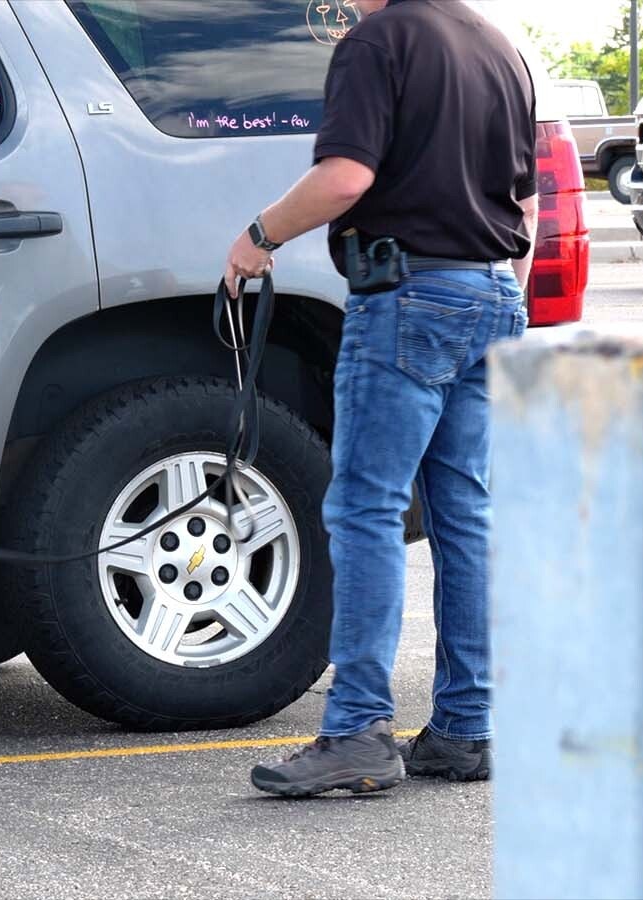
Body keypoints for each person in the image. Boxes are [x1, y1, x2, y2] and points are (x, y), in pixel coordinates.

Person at [222, 0, 537, 797]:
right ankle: (466, 728)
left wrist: (258, 238)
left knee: (366, 507)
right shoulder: (498, 47)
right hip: (494, 290)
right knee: (464, 510)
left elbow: (345, 178)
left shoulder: (377, 42)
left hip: (408, 296)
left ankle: (358, 727)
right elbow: (526, 205)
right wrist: (498, 302)